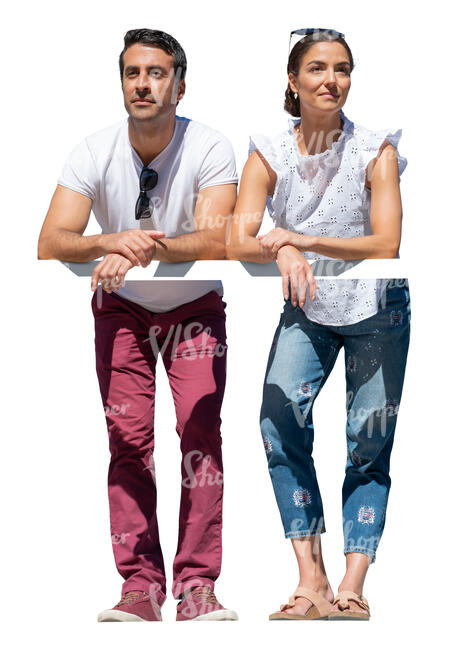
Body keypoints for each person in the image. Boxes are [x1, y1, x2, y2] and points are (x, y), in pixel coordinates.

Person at [37, 28, 239, 622]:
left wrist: (142, 248)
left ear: (180, 84)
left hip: (194, 308)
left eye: (155, 73)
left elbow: (218, 235)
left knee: (198, 440)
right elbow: (52, 240)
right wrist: (110, 240)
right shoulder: (93, 149)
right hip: (120, 308)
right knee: (128, 445)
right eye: (132, 73)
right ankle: (140, 587)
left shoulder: (209, 145)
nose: (143, 84)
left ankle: (198, 586)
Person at [226, 28, 410, 620]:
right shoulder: (268, 151)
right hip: (308, 309)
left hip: (378, 309)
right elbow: (238, 236)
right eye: (317, 68)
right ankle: (312, 580)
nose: (331, 80)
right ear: (293, 79)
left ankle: (355, 582)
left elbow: (385, 243)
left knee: (368, 441)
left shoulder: (375, 148)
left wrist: (299, 238)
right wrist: (280, 251)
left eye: (342, 69)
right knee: (278, 421)